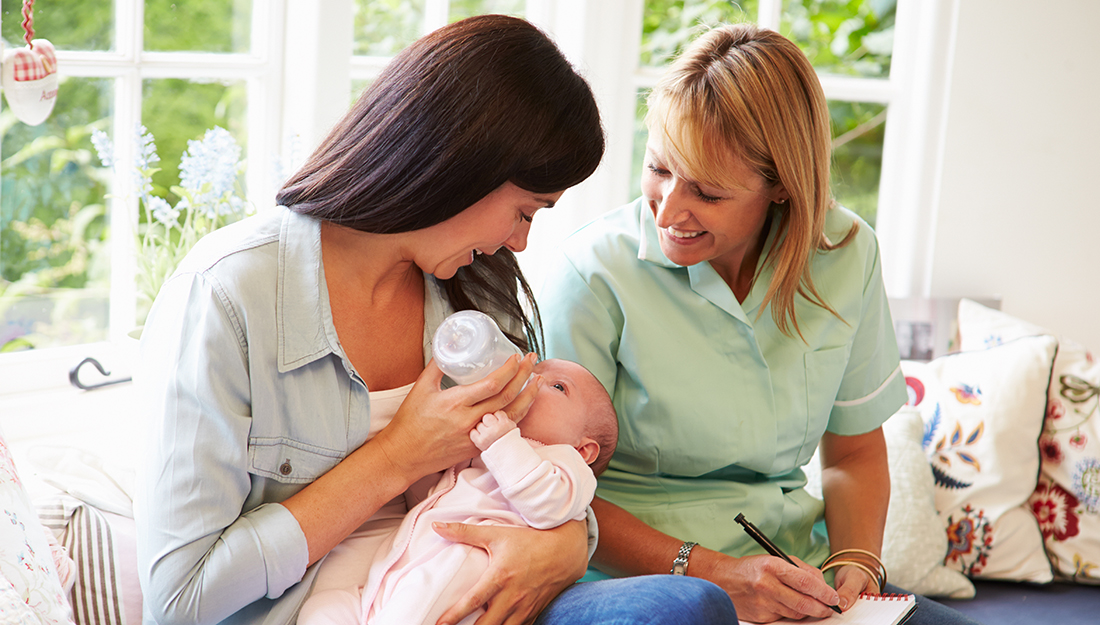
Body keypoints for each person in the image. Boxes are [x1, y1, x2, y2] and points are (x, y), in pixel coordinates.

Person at [133, 14, 736, 625]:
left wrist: (561, 547)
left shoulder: (479, 291)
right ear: (461, 165)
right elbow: (181, 599)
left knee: (686, 607)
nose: (520, 244)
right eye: (524, 212)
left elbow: (548, 476)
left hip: (479, 602)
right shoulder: (229, 295)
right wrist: (397, 457)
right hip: (332, 612)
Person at [538, 22, 983, 625]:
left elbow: (852, 451)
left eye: (708, 192)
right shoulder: (591, 274)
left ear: (781, 186)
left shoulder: (847, 254)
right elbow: (557, 493)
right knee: (694, 612)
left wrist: (856, 564)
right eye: (658, 169)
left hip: (788, 572)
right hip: (627, 582)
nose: (668, 210)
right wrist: (722, 577)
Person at [298, 358, 618, 625]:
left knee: (407, 614)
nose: (532, 381)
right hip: (401, 567)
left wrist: (501, 443)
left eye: (558, 387)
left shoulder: (566, 462)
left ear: (585, 449)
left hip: (462, 565)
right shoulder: (484, 447)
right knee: (325, 609)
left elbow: (549, 506)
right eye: (534, 371)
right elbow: (428, 493)